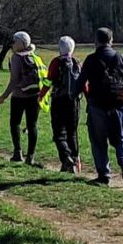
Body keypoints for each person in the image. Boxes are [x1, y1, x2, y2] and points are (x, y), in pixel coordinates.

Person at [74, 27, 123, 184]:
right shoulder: (121, 58)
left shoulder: (90, 60)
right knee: (121, 135)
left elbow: (80, 83)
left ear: (96, 41)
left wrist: (74, 94)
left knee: (98, 141)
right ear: (111, 40)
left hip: (97, 105)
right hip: (119, 104)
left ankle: (104, 175)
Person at [0, 31, 45, 166]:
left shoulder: (16, 58)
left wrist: (3, 96)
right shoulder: (35, 56)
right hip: (34, 95)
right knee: (32, 125)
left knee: (15, 123)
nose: (12, 44)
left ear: (21, 43)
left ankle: (18, 152)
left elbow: (14, 80)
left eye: (14, 41)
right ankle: (31, 156)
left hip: (19, 97)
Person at [38, 36, 82, 173]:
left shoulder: (56, 62)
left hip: (58, 100)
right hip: (74, 101)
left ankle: (65, 156)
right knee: (72, 132)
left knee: (59, 133)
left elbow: (49, 81)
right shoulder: (77, 63)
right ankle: (75, 160)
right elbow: (83, 83)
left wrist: (41, 95)